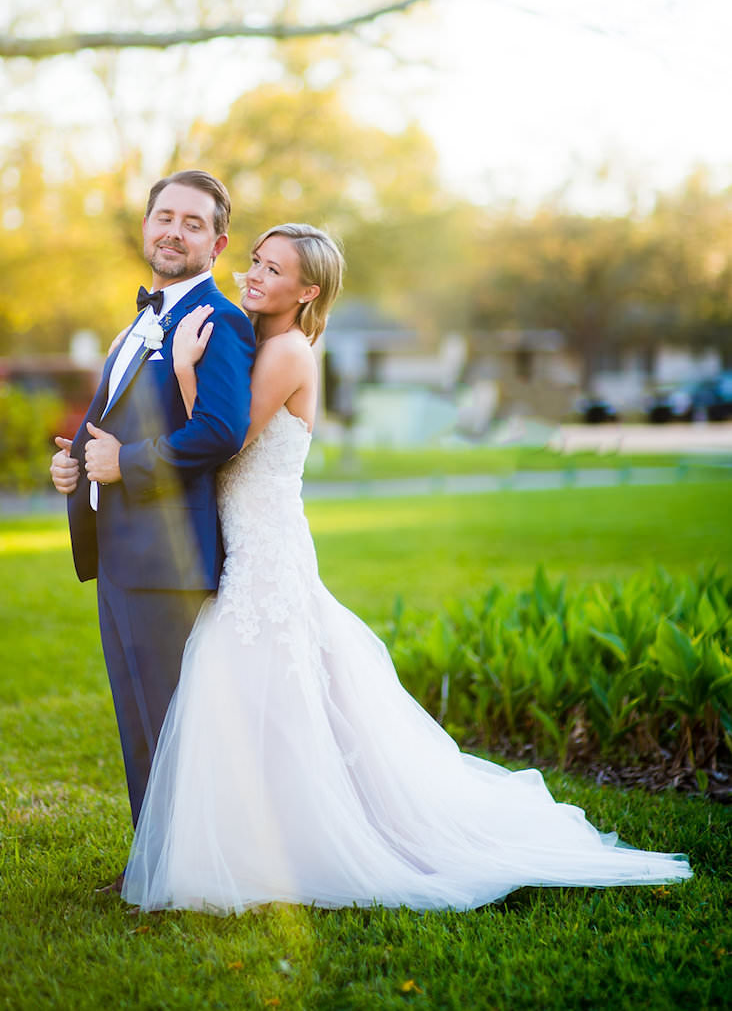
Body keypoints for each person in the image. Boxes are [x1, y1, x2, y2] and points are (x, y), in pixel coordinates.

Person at [121, 222, 692, 913]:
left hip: (265, 548)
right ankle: (275, 834)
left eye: (273, 270)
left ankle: (288, 845)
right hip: (255, 539)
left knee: (257, 687)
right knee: (278, 694)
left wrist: (184, 369)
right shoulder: (264, 341)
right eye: (254, 261)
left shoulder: (287, 353)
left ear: (307, 291)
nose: (254, 275)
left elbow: (221, 445)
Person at [49, 170, 255, 891]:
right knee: (140, 724)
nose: (173, 231)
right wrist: (75, 463)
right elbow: (113, 416)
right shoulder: (143, 316)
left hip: (169, 559)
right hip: (122, 552)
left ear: (218, 243)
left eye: (192, 223)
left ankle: (188, 875)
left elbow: (222, 432)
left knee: (171, 726)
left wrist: (124, 463)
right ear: (146, 226)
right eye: (163, 216)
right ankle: (156, 865)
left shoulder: (218, 321)